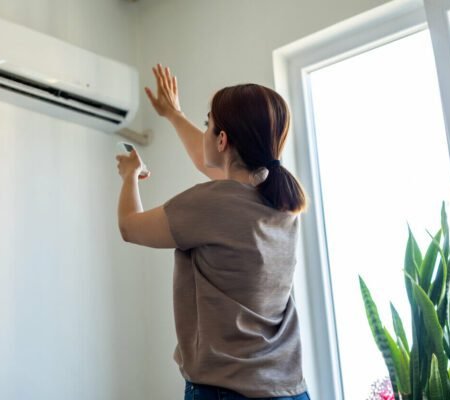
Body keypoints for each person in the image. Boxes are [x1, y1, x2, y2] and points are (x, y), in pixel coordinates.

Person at [115, 63, 311, 400]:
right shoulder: (281, 204)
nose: (205, 132)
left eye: (208, 125)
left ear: (222, 140)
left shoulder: (209, 204)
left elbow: (129, 227)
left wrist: (130, 175)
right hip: (289, 389)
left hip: (226, 392)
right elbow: (208, 161)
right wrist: (174, 115)